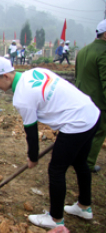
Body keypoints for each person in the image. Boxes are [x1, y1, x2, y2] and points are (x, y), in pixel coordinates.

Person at [0, 57, 100, 229]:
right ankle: (84, 206)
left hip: (76, 123)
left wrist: (33, 157)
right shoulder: (36, 72)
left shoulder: (22, 97)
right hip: (91, 113)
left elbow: (31, 131)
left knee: (56, 170)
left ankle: (56, 218)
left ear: (6, 76)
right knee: (80, 163)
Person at [75, 19, 106, 172]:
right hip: (98, 101)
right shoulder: (104, 52)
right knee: (99, 131)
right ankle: (88, 163)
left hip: (80, 98)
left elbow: (77, 76)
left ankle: (75, 157)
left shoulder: (83, 51)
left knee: (81, 131)